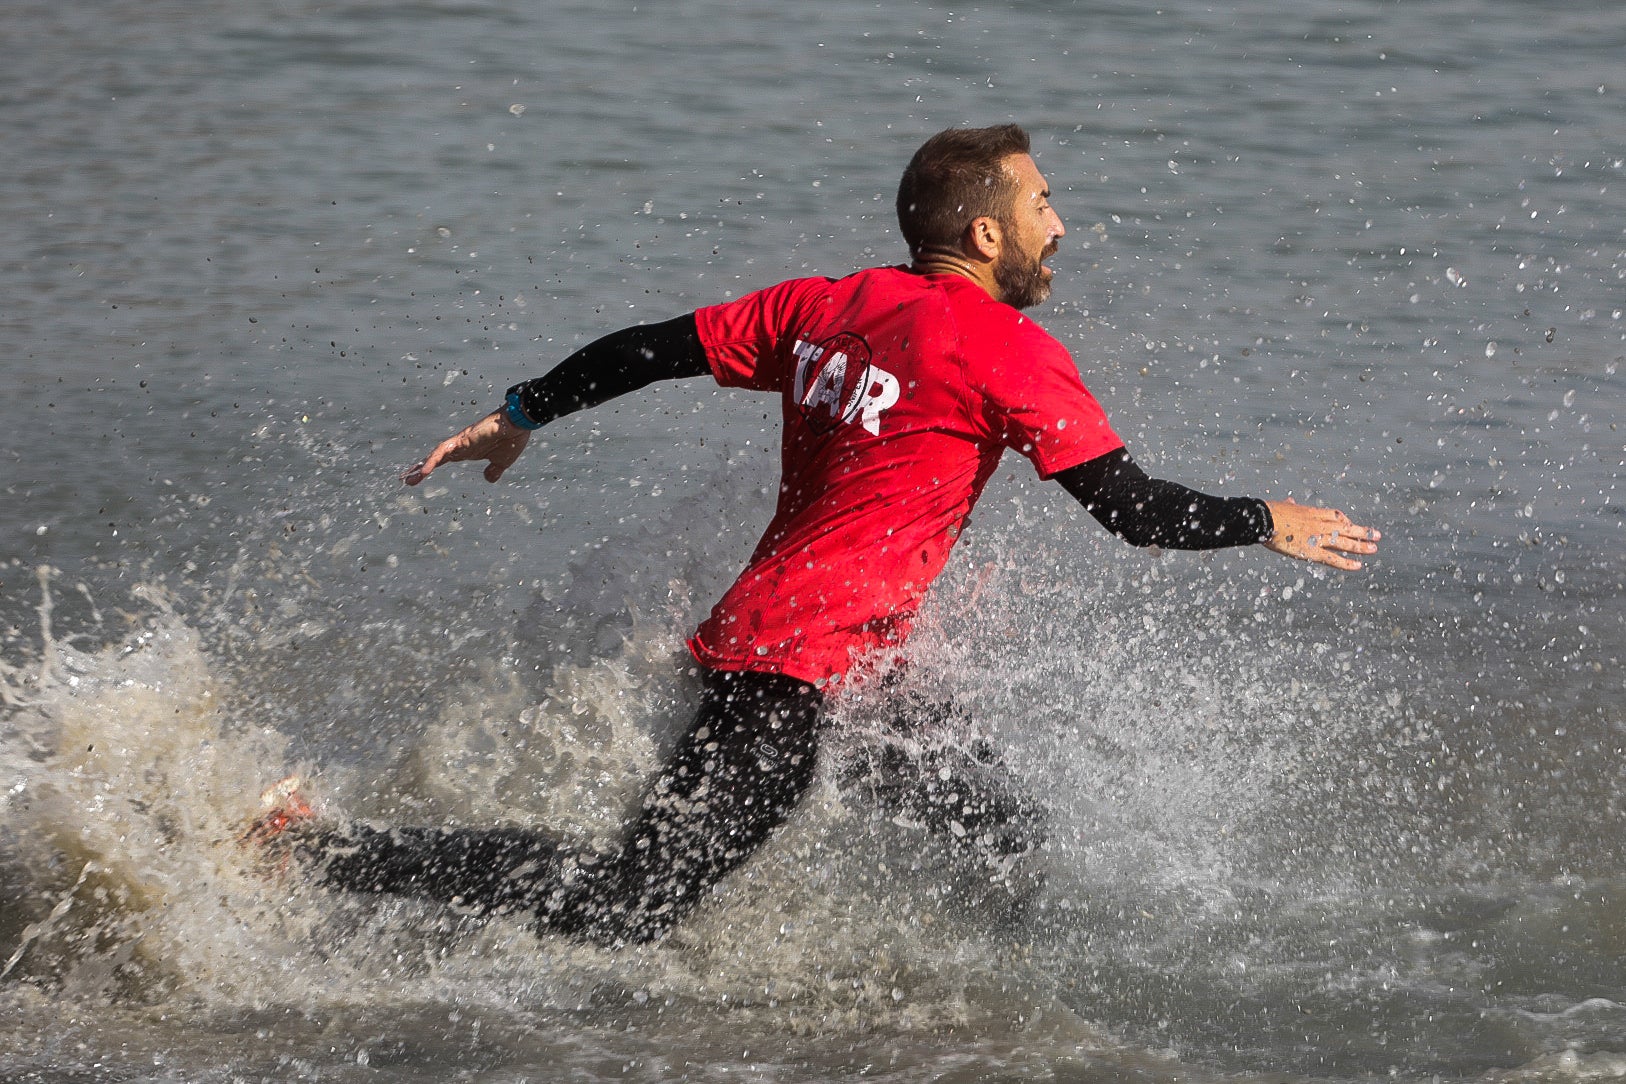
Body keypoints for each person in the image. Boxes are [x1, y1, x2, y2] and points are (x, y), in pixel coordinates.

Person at [249, 124, 1379, 946]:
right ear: (985, 232)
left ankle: (954, 1018)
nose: (1061, 225)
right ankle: (318, 851)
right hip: (787, 668)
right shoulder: (1008, 351)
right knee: (623, 901)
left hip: (863, 663)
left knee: (1001, 835)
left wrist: (528, 409)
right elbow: (1135, 513)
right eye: (1043, 206)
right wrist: (1266, 520)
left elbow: (649, 346)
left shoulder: (822, 303)